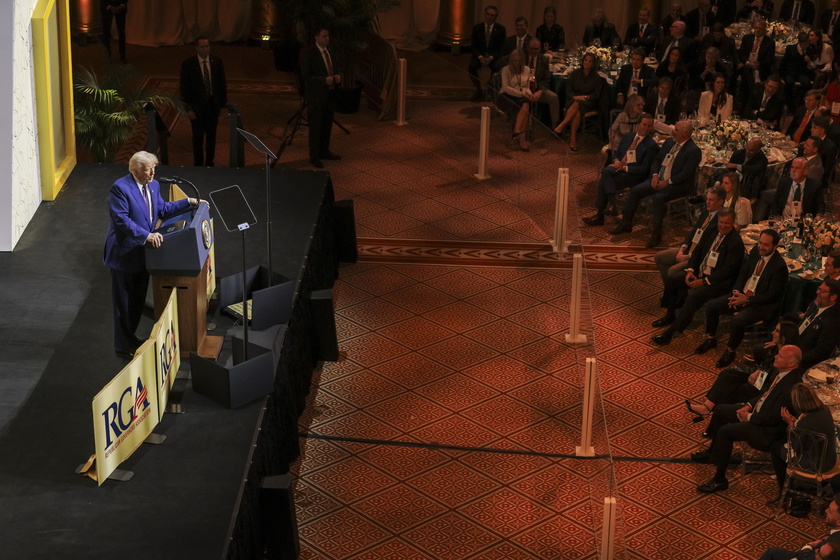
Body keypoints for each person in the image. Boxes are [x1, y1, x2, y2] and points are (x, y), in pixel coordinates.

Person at [103, 151, 199, 359]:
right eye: (148, 169)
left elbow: (162, 209)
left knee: (137, 300)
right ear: (134, 170)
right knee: (124, 303)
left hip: (143, 254)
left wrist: (189, 202)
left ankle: (130, 337)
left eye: (154, 168)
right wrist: (146, 235)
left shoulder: (154, 186)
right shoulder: (120, 188)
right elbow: (121, 221)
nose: (153, 173)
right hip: (124, 254)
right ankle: (122, 345)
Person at [690, 344, 803, 494]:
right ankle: (713, 452)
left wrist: (748, 417)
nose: (775, 356)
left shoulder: (791, 386)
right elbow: (766, 395)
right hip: (759, 414)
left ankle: (719, 479)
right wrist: (749, 405)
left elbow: (772, 418)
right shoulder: (783, 374)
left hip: (768, 430)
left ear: (791, 363)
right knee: (720, 410)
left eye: (780, 356)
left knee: (725, 432)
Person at [696, 228, 787, 367]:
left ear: (775, 247)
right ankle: (710, 338)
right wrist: (736, 293)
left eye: (766, 245)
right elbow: (743, 274)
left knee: (738, 320)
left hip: (760, 304)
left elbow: (771, 296)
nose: (761, 247)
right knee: (712, 306)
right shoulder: (755, 252)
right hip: (743, 295)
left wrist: (747, 300)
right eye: (760, 243)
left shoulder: (779, 266)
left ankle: (730, 351)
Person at [651, 209, 745, 344]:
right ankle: (670, 313)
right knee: (672, 278)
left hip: (718, 282)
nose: (723, 226)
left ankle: (670, 333)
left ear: (733, 223)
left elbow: (726, 272)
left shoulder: (736, 243)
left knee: (693, 297)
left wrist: (704, 281)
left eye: (727, 223)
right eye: (721, 222)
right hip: (699, 272)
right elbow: (697, 252)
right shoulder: (712, 230)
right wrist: (690, 271)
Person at [610, 120, 703, 248]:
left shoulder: (693, 150)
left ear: (686, 134)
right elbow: (657, 160)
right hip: (659, 179)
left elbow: (685, 174)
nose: (673, 132)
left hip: (678, 185)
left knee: (658, 198)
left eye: (676, 130)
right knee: (636, 190)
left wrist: (667, 182)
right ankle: (626, 223)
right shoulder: (670, 142)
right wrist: (654, 175)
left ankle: (656, 234)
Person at [685, 320, 799, 422]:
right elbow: (767, 364)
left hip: (763, 389)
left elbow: (773, 383)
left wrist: (758, 378)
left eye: (777, 331)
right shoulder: (777, 346)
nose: (773, 332)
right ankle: (707, 407)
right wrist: (758, 371)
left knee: (735, 389)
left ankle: (718, 416)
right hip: (761, 378)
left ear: (784, 337)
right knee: (727, 374)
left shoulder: (787, 354)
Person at [583, 114, 658, 225]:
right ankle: (612, 206)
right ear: (638, 125)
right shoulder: (628, 137)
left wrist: (625, 168)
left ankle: (600, 215)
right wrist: (616, 161)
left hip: (634, 175)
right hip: (619, 167)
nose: (646, 128)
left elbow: (644, 169)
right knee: (606, 172)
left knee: (603, 182)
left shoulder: (651, 145)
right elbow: (616, 154)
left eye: (649, 126)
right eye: (644, 125)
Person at [653, 185, 726, 290]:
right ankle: (672, 290)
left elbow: (707, 248)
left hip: (697, 257)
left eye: (711, 200)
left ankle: (674, 294)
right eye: (707, 199)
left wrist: (688, 256)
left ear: (720, 202)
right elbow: (693, 232)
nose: (707, 202)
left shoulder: (721, 221)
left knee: (672, 272)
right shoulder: (707, 211)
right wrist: (683, 247)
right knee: (659, 257)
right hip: (689, 249)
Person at [772, 383, 838, 494]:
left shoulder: (804, 423)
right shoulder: (824, 409)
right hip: (830, 459)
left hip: (814, 466)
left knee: (776, 449)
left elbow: (797, 448)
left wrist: (790, 425)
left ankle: (787, 488)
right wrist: (795, 424)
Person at [179, 36, 227, 168]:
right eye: (203, 47)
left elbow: (222, 85)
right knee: (198, 139)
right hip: (197, 109)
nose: (206, 49)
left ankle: (210, 163)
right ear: (196, 48)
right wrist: (188, 109)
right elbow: (184, 88)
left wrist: (222, 105)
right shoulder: (188, 65)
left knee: (212, 137)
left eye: (207, 46)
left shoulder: (217, 62)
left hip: (212, 106)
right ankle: (198, 164)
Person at [300, 26, 342, 169]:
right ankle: (314, 156)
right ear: (316, 37)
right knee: (316, 127)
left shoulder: (330, 50)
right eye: (324, 36)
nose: (327, 39)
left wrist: (337, 77)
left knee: (327, 125)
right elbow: (306, 76)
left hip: (330, 94)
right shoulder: (309, 53)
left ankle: (325, 150)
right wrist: (323, 80)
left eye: (328, 36)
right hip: (316, 96)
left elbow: (334, 67)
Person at [553, 52, 603, 152]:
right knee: (577, 109)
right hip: (573, 100)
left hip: (588, 102)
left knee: (578, 104)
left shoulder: (596, 77)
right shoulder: (575, 74)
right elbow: (568, 90)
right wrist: (575, 97)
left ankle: (562, 125)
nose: (587, 63)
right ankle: (573, 140)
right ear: (582, 61)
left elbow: (596, 95)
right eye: (586, 60)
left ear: (593, 64)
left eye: (590, 61)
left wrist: (584, 97)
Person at [759, 501, 840, 559]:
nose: (825, 511)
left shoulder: (836, 541)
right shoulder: (835, 535)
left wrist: (809, 546)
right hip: (807, 555)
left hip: (806, 556)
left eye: (830, 511)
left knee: (772, 554)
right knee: (772, 552)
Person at [468, 5, 507, 102]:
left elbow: (501, 48)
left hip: (493, 57)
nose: (490, 17)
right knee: (472, 66)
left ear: (496, 17)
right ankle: (478, 90)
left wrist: (491, 57)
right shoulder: (477, 28)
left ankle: (490, 90)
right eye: (488, 14)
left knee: (496, 67)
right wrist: (480, 57)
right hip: (479, 55)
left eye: (493, 15)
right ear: (485, 15)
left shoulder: (501, 29)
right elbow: (473, 46)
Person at [499, 50, 535, 152]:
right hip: (506, 96)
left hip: (521, 96)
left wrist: (530, 95)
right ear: (511, 61)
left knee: (526, 102)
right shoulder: (506, 69)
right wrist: (522, 94)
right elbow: (505, 88)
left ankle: (517, 132)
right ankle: (521, 138)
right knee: (524, 103)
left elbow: (526, 87)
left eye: (519, 61)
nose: (517, 63)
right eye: (515, 61)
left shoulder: (527, 69)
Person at [736, 20, 775, 106]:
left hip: (760, 68)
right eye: (756, 28)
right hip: (747, 66)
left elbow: (769, 60)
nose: (757, 30)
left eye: (760, 29)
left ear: (765, 30)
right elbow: (741, 54)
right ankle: (754, 90)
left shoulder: (770, 42)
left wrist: (759, 64)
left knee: (746, 80)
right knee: (746, 69)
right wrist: (747, 62)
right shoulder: (747, 38)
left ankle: (747, 100)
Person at [524, 39, 560, 127]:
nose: (533, 51)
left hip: (537, 88)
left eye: (536, 49)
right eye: (531, 48)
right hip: (523, 88)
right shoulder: (522, 57)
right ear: (528, 48)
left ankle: (555, 127)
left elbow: (547, 79)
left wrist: (540, 91)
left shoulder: (544, 60)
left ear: (540, 49)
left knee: (553, 97)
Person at [781, 32, 814, 106]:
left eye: (807, 43)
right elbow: (784, 61)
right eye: (804, 44)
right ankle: (789, 102)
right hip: (791, 72)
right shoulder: (790, 48)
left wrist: (808, 61)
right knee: (789, 82)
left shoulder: (809, 50)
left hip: (802, 73)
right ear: (799, 42)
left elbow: (811, 65)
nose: (806, 46)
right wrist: (782, 74)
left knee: (807, 83)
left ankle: (802, 103)